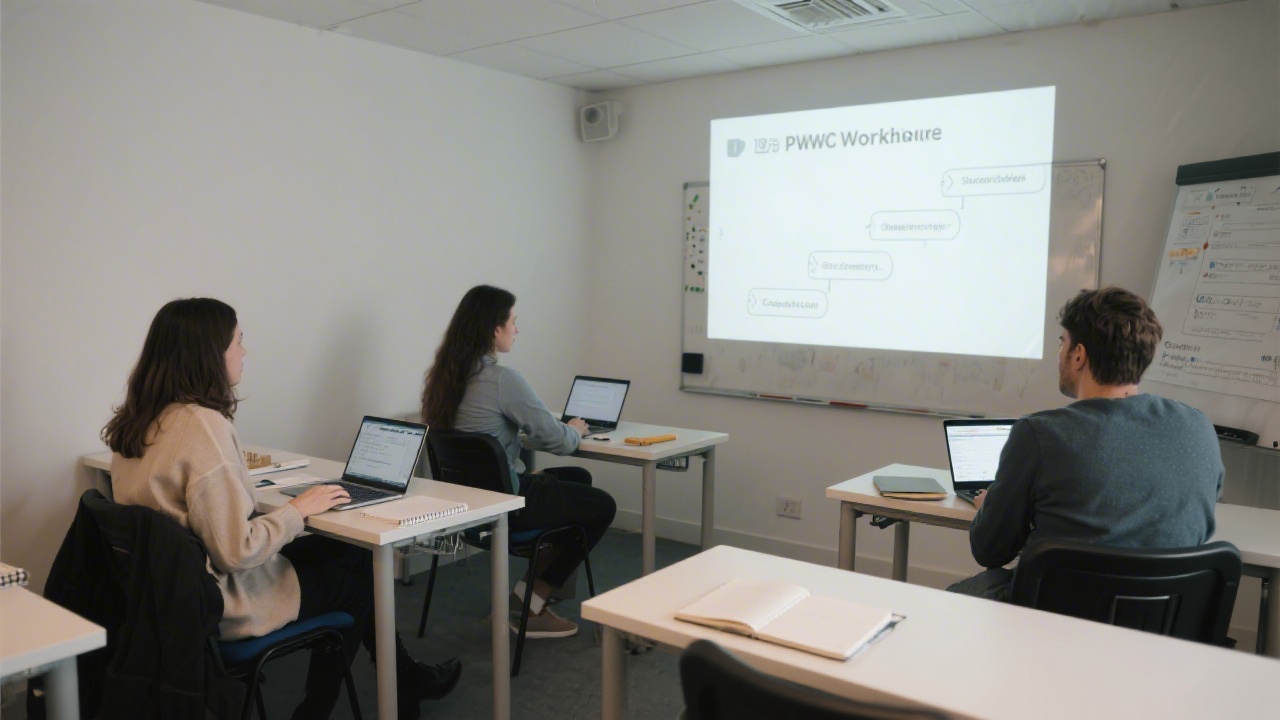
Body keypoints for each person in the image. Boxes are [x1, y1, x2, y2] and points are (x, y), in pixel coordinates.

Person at [103, 298, 461, 720]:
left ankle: (405, 681)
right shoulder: (202, 426)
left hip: (171, 599)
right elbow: (236, 552)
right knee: (358, 587)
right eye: (238, 341)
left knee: (354, 555)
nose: (244, 352)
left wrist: (279, 510)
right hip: (223, 602)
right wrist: (298, 511)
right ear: (209, 354)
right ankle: (324, 709)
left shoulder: (136, 422)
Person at [948, 286, 1223, 601]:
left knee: (946, 604)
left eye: (1062, 341)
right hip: (1164, 630)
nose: (1060, 351)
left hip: (1056, 622)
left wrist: (988, 507)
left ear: (1078, 354)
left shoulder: (1041, 435)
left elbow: (989, 549)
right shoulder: (1198, 427)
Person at [421, 285, 617, 638]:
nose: (517, 329)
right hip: (507, 504)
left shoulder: (444, 378)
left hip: (467, 506)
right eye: (513, 321)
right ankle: (530, 604)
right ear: (494, 329)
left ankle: (532, 591)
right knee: (602, 506)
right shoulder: (502, 379)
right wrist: (573, 430)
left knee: (577, 478)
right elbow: (556, 439)